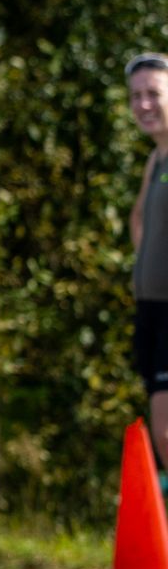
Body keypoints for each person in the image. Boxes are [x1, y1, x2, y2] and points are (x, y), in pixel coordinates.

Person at [129, 52, 168, 475]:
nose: (143, 105)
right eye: (136, 96)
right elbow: (138, 214)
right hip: (151, 308)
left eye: (154, 94)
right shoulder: (156, 159)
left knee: (167, 432)